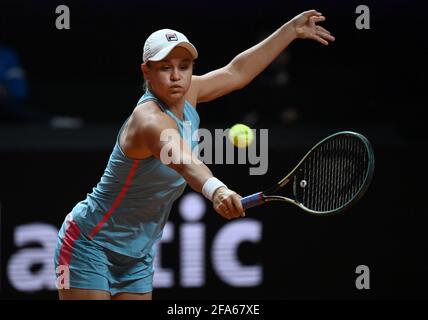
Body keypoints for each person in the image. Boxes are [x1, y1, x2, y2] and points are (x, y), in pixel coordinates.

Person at [54, 10, 335, 300]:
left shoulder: (189, 93)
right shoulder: (148, 120)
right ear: (146, 72)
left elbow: (236, 72)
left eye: (184, 66)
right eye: (165, 67)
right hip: (89, 243)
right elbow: (185, 162)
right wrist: (218, 190)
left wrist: (290, 30)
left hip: (138, 253)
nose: (177, 76)